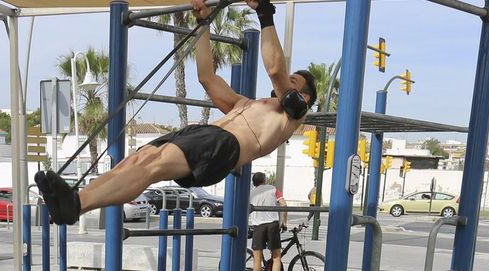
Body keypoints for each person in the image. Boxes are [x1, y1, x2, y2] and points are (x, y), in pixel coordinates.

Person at [34, 0, 315, 225]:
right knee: (138, 159)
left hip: (223, 146)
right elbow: (207, 77)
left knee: (152, 165)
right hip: (204, 134)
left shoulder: (293, 115)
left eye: (293, 81)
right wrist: (204, 23)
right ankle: (73, 203)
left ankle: (76, 205)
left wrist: (265, 12)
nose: (285, 80)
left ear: (304, 96)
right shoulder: (246, 104)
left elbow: (275, 69)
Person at [248, 172, 286, 271]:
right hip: (272, 225)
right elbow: (283, 204)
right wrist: (283, 222)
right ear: (265, 180)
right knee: (276, 256)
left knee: (257, 259)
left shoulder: (251, 193)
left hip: (258, 226)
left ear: (253, 182)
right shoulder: (273, 189)